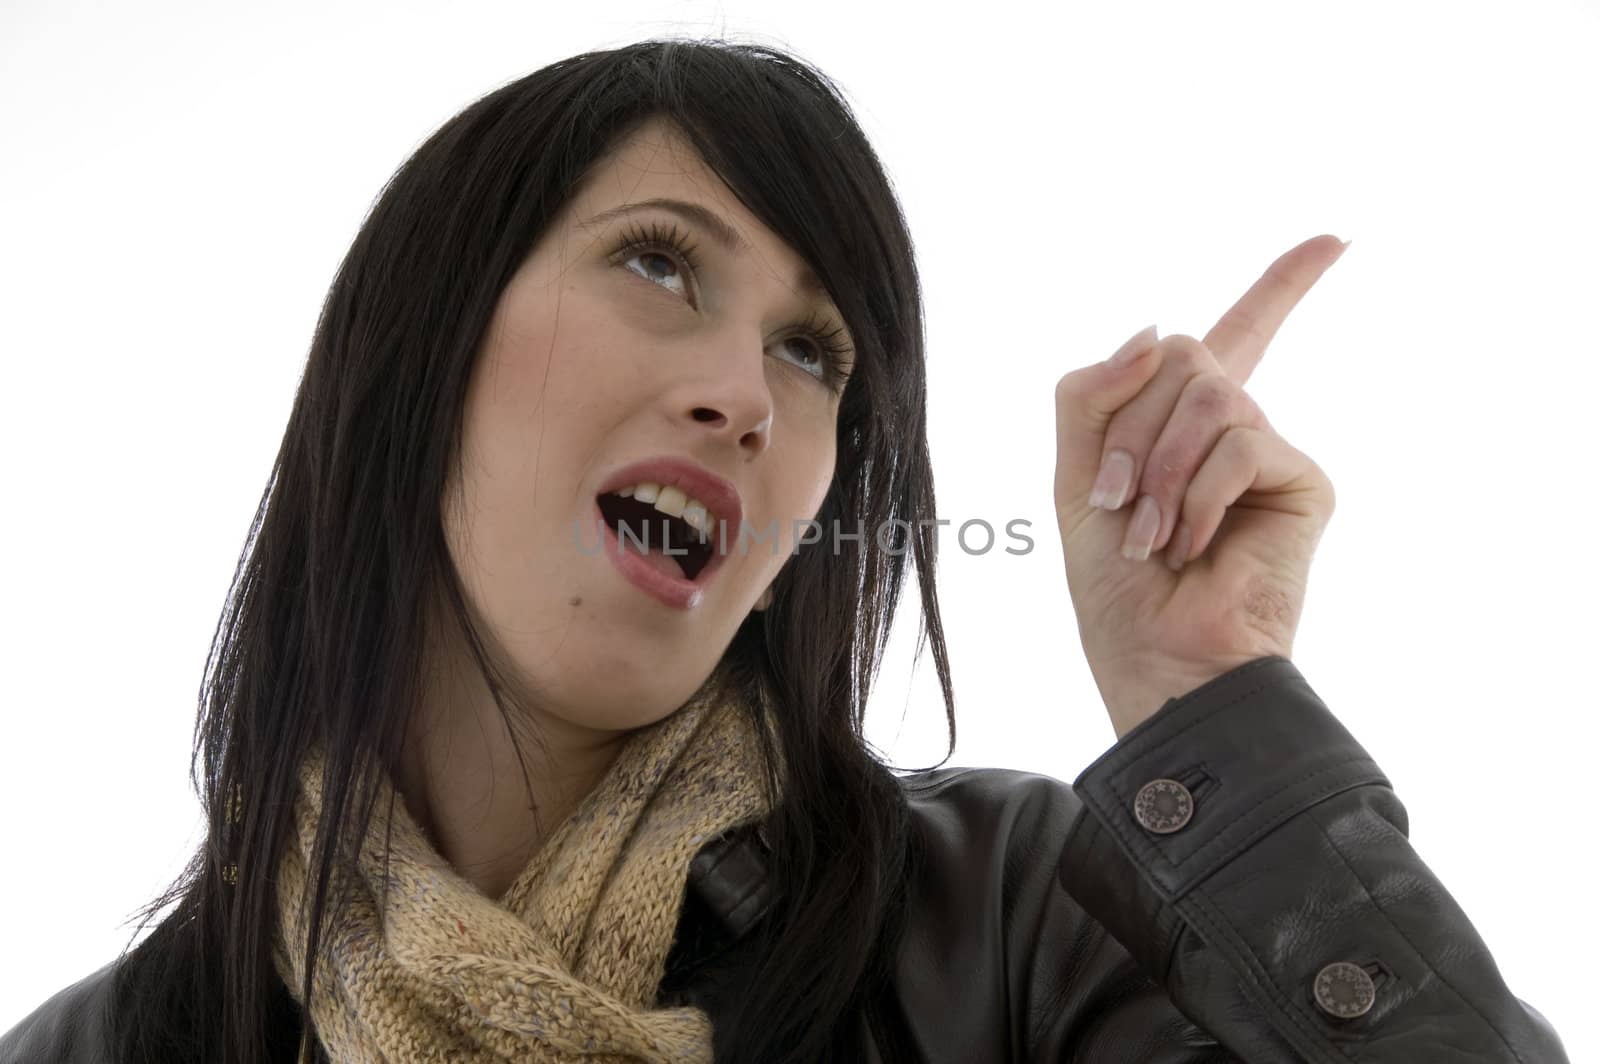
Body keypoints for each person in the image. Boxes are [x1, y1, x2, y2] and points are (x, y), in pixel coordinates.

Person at [0, 37, 1570, 1064]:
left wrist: (1205, 696)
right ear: (421, 347)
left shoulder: (1010, 929)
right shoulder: (102, 1049)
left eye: (817, 353)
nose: (748, 395)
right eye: (659, 262)